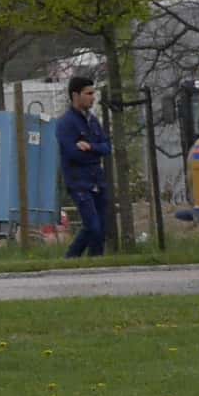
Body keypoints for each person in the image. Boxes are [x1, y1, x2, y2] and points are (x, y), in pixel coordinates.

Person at [57, 73, 113, 258]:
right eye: (88, 93)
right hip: (79, 182)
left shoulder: (92, 121)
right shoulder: (66, 124)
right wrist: (92, 152)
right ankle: (71, 258)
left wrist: (90, 146)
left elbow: (106, 147)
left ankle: (94, 261)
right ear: (75, 95)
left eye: (93, 93)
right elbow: (73, 153)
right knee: (93, 226)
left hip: (97, 179)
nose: (93, 97)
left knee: (102, 228)